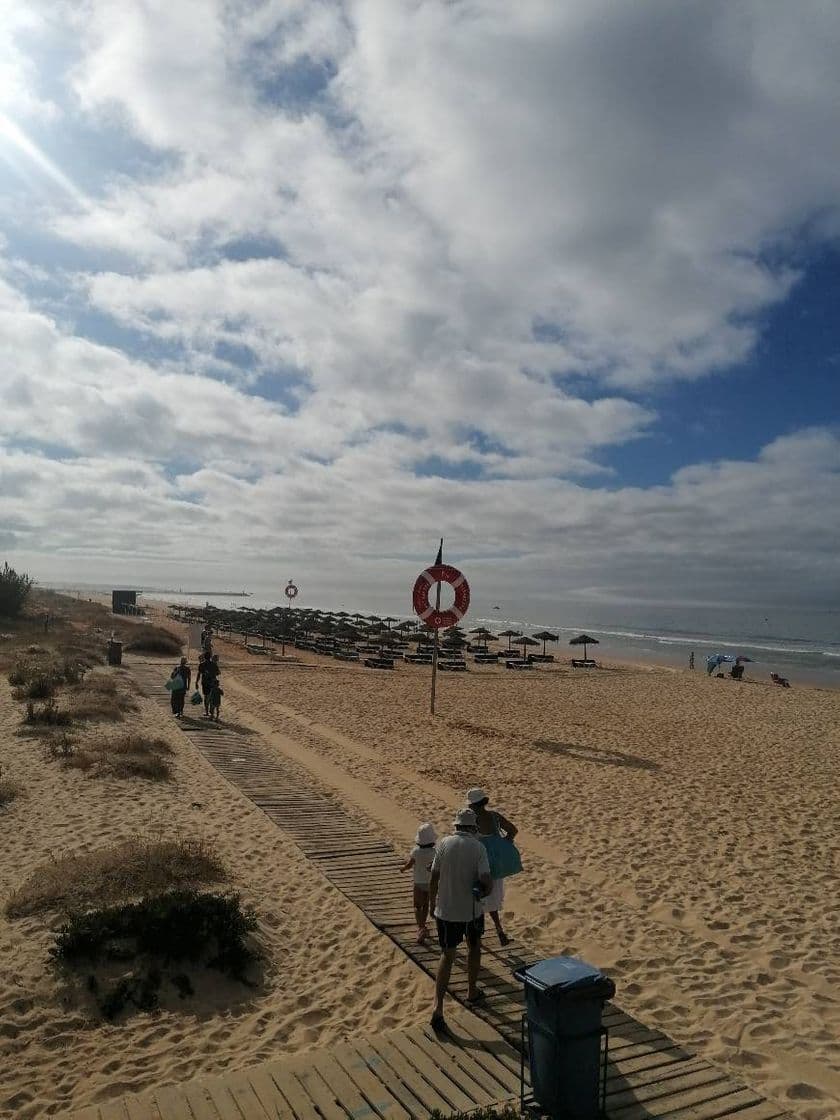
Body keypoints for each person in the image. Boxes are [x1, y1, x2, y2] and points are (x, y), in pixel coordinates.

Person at [428, 808, 491, 1034]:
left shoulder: (444, 844)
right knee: (474, 947)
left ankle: (438, 1005)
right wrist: (484, 889)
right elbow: (485, 880)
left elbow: (434, 877)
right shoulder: (478, 847)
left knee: (447, 954)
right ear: (473, 827)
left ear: (456, 826)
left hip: (445, 910)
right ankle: (471, 991)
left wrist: (430, 905)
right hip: (471, 911)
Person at [467, 788, 517, 946]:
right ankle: (499, 930)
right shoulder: (494, 816)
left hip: (478, 862)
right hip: (495, 864)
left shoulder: (471, 820)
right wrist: (504, 844)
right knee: (492, 899)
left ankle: (478, 935)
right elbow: (513, 830)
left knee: (477, 898)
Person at [401, 823, 437, 944]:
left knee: (417, 905)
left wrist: (403, 869)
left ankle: (420, 927)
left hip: (418, 882)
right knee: (426, 904)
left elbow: (410, 864)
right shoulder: (434, 852)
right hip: (430, 883)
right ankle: (423, 926)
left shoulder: (416, 851)